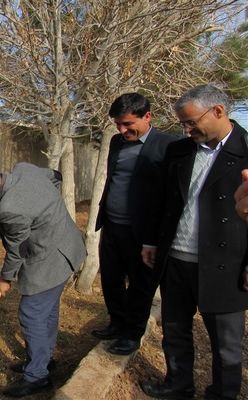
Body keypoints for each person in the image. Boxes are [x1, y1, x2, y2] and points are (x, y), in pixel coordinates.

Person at [140, 85, 248, 400]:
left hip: (226, 265)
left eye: (191, 122)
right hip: (176, 260)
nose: (186, 130)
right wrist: (152, 240)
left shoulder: (245, 151)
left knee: (226, 344)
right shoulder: (179, 150)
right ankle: (178, 383)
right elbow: (164, 202)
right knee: (175, 330)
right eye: (182, 124)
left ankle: (223, 394)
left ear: (218, 111)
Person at [0, 163, 86, 398]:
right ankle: (43, 360)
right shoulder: (25, 169)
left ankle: (36, 377)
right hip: (68, 245)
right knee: (46, 310)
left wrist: (5, 279)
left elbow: (16, 251)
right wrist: (49, 210)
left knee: (32, 313)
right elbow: (56, 177)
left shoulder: (9, 209)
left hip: (50, 258)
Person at [92, 93, 178, 355]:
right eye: (118, 124)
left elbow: (170, 195)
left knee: (140, 285)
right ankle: (117, 323)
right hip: (112, 226)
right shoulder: (117, 143)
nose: (122, 129)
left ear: (147, 116)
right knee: (111, 279)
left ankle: (132, 333)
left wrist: (155, 238)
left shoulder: (168, 145)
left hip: (143, 234)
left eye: (128, 124)